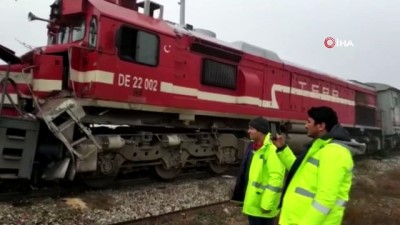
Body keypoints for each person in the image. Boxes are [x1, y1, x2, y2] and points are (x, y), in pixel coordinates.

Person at [272, 106, 366, 225]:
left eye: (309, 122)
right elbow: (300, 170)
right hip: (297, 218)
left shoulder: (335, 153)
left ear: (321, 126)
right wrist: (282, 149)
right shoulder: (320, 146)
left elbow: (326, 198)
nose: (306, 125)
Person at [231, 116, 286, 225]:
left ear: (260, 131)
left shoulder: (272, 150)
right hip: (255, 205)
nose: (248, 131)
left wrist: (267, 204)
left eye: (251, 128)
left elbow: (276, 179)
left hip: (263, 207)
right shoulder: (255, 147)